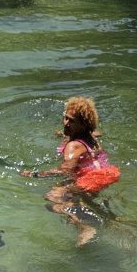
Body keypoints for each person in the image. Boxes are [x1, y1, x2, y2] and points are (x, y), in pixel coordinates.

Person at [20, 96, 122, 245]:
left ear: (83, 124)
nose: (66, 123)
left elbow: (65, 170)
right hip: (108, 173)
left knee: (53, 199)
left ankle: (85, 227)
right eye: (65, 118)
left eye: (71, 121)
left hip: (90, 178)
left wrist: (35, 174)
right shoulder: (91, 136)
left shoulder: (73, 146)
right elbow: (95, 132)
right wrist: (63, 133)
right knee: (85, 200)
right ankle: (112, 221)